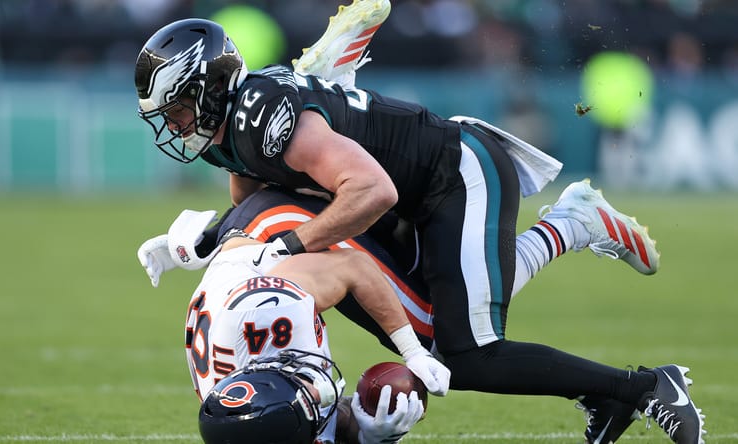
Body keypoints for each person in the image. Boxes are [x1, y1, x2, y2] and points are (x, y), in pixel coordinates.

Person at [133, 1, 705, 442]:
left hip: (454, 174)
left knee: (466, 352)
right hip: (412, 191)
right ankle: (574, 242)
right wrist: (206, 241)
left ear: (209, 88)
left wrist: (287, 248)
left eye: (179, 109)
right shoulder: (228, 136)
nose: (176, 126)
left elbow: (371, 190)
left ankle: (647, 386)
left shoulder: (261, 117)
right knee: (430, 329)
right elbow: (257, 205)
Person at [141, 208, 450, 443]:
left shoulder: (266, 314)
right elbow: (319, 418)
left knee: (375, 194)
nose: (320, 392)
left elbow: (353, 266)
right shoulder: (247, 420)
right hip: (238, 315)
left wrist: (413, 353)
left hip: (268, 224)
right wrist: (368, 435)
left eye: (307, 393)